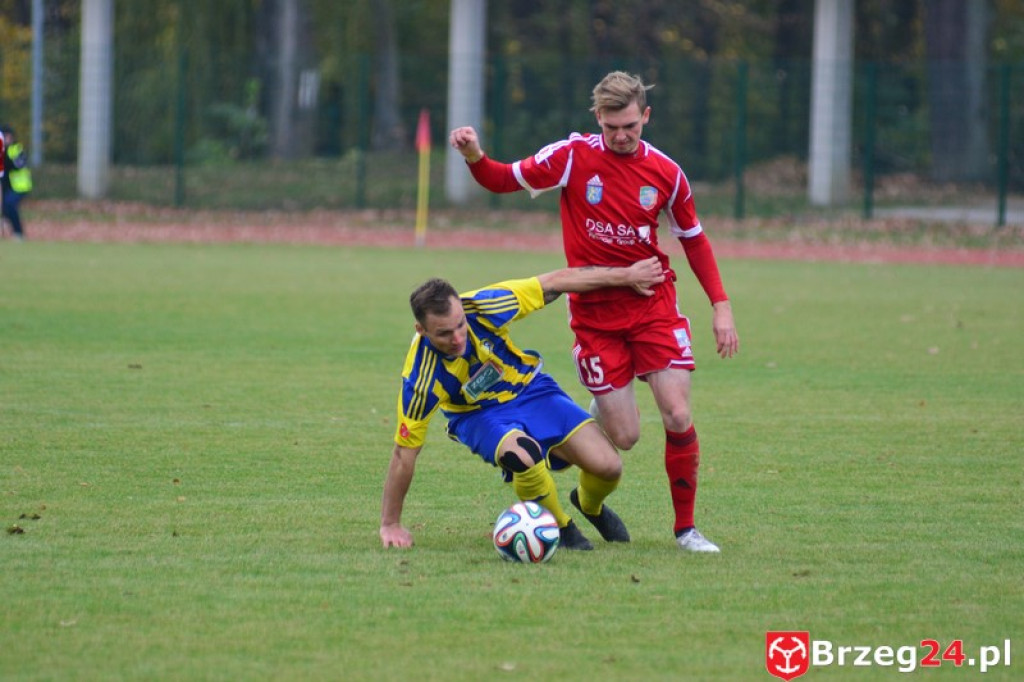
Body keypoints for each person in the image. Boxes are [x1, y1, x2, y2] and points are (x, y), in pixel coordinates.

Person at [449, 71, 740, 553]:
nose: (621, 136)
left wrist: (722, 307)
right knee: (625, 437)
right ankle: (588, 466)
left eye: (630, 125)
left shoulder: (667, 172)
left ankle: (686, 530)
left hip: (653, 307)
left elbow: (694, 239)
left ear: (645, 115)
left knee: (677, 413)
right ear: (597, 120)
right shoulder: (571, 157)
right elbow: (502, 179)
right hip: (595, 318)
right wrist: (474, 155)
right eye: (611, 127)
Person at [379, 257, 666, 551]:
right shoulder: (420, 379)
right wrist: (390, 523)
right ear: (421, 329)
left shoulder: (485, 306)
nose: (457, 338)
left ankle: (588, 505)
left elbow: (556, 282)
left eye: (460, 326)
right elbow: (404, 454)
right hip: (478, 416)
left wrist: (626, 274)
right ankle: (560, 527)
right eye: (443, 333)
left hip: (530, 390)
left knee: (609, 467)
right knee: (523, 455)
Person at [1, 126, 32, 241]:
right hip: (6, 187)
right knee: (5, 207)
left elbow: (17, 165)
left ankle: (18, 232)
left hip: (20, 187)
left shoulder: (17, 149)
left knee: (9, 205)